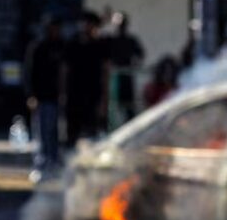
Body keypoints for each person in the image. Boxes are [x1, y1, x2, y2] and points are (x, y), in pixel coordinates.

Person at [24, 17, 65, 178]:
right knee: (40, 132)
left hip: (56, 98)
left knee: (55, 132)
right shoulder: (37, 47)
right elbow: (29, 72)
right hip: (41, 97)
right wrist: (31, 95)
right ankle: (40, 163)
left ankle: (54, 162)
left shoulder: (61, 46)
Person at [62, 11, 109, 147]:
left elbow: (106, 71)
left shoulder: (100, 45)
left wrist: (104, 98)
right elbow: (64, 70)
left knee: (92, 133)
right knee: (72, 132)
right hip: (74, 94)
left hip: (93, 94)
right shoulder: (72, 43)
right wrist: (63, 93)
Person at [107, 11, 145, 125]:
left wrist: (135, 64)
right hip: (113, 78)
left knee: (128, 107)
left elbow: (140, 54)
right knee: (113, 106)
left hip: (127, 76)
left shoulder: (131, 40)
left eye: (123, 24)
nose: (120, 27)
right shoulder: (110, 40)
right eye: (118, 24)